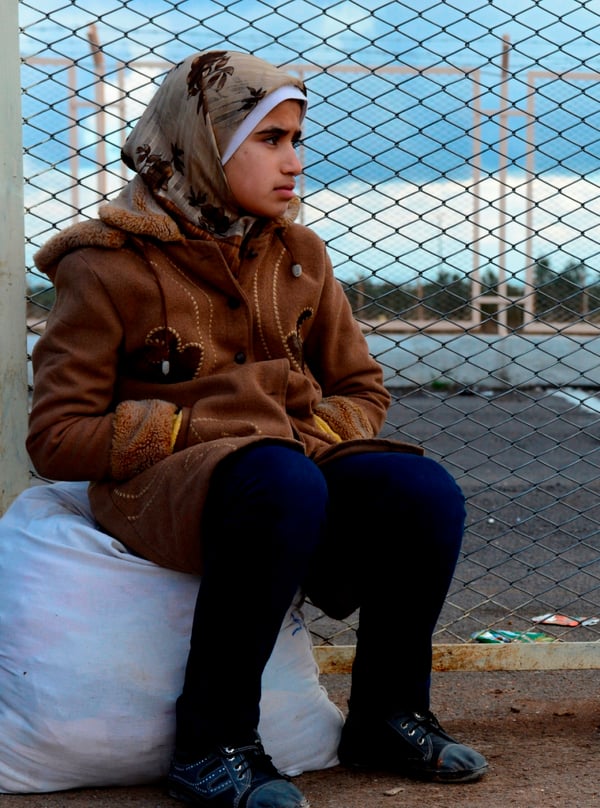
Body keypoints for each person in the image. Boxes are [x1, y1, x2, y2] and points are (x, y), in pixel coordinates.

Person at [27, 49, 488, 808]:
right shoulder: (105, 264)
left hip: (284, 473)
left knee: (419, 489)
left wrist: (306, 431)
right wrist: (195, 429)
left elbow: (360, 388)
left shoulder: (299, 256)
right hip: (163, 490)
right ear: (204, 143)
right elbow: (57, 437)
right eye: (270, 140)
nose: (294, 162)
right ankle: (212, 745)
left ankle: (388, 714)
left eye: (297, 140)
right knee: (277, 478)